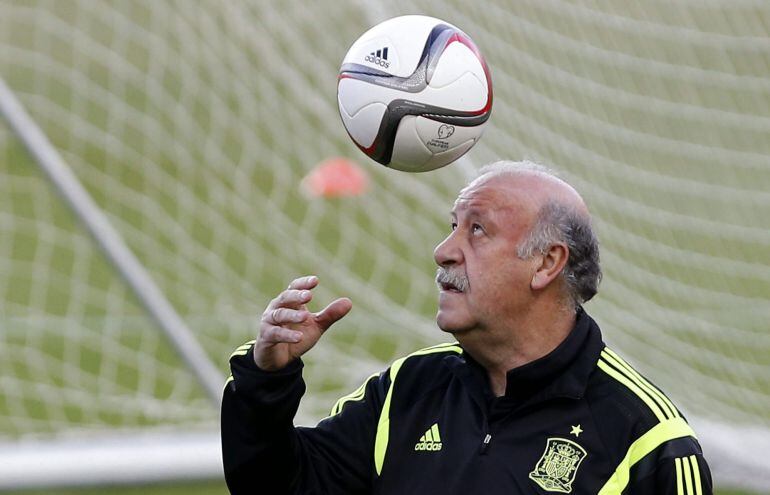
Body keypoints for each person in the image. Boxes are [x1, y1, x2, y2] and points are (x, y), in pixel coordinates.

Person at [221, 160, 712, 494]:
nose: (444, 250)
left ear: (546, 263)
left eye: (477, 230)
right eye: (452, 225)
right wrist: (266, 381)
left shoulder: (648, 442)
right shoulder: (407, 390)